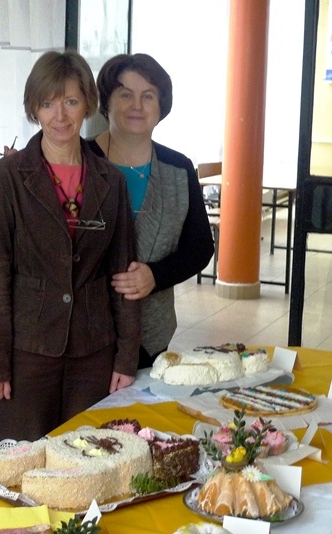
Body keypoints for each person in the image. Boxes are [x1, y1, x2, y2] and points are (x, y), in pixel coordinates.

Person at [0, 50, 141, 442]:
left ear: (87, 105)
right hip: (26, 352)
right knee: (24, 464)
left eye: (70, 102)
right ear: (34, 108)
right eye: (48, 104)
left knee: (89, 459)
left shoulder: (111, 181)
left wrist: (126, 356)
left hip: (94, 350)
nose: (60, 116)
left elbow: (124, 274)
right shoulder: (5, 179)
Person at [88, 53, 214, 369]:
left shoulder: (179, 168)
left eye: (148, 96)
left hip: (152, 335)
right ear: (106, 101)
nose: (137, 105)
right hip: (84, 333)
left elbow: (200, 248)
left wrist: (155, 275)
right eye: (125, 94)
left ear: (161, 106)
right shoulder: (79, 159)